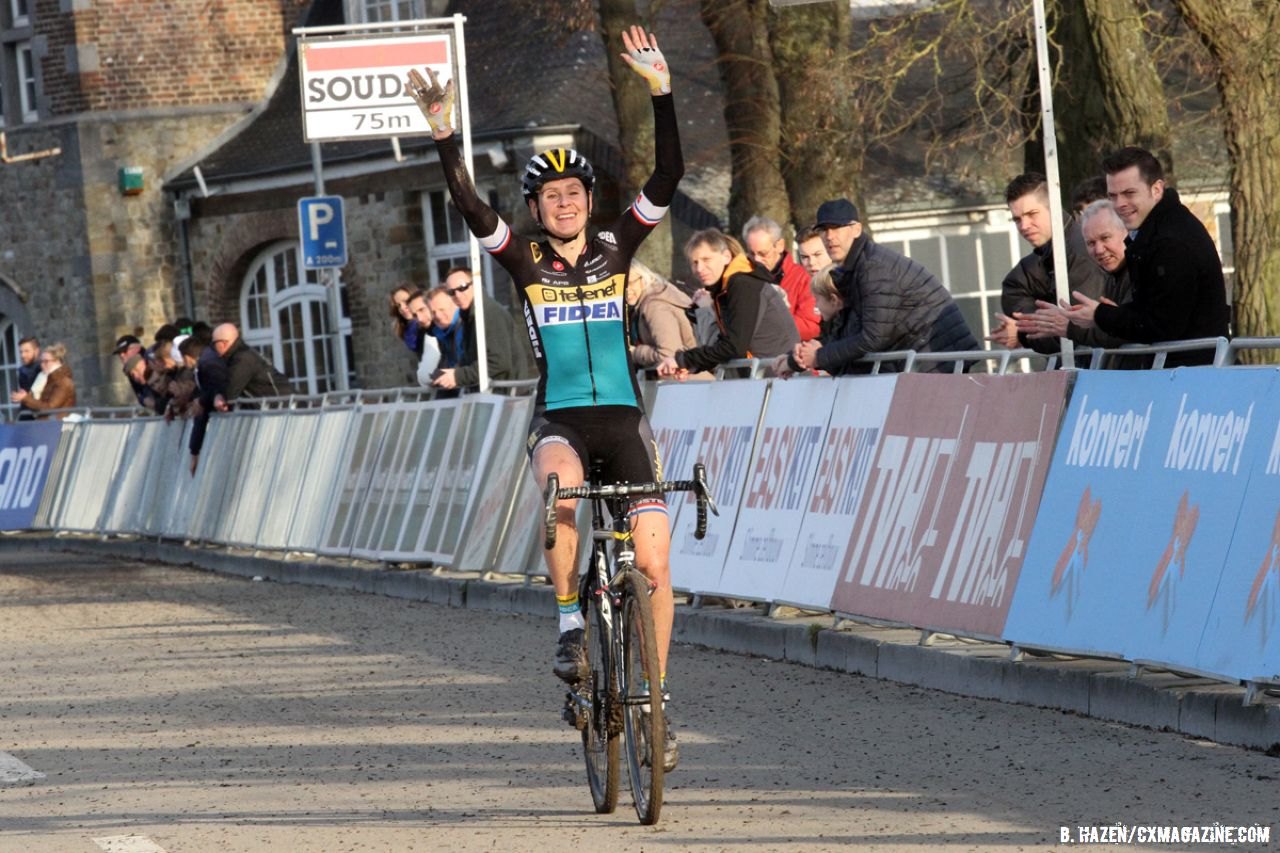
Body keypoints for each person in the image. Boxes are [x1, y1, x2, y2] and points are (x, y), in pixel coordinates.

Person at [409, 24, 683, 769]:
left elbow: (670, 174)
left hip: (625, 420)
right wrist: (444, 138)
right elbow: (469, 205)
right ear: (535, 206)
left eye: (574, 192)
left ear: (590, 199)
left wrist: (660, 92)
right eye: (551, 195)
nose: (564, 203)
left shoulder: (618, 245)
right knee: (560, 493)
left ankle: (656, 700)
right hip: (559, 418)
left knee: (656, 564)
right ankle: (570, 626)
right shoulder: (521, 255)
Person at [1061, 147, 1229, 367]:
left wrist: (1101, 315)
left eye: (1129, 193)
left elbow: (1161, 325)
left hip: (1192, 376)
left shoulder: (1169, 241)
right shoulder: (1157, 232)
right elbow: (1152, 309)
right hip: (1183, 371)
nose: (1120, 204)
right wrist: (1106, 314)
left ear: (1156, 189)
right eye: (1113, 196)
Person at [798, 197, 978, 374]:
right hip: (922, 360)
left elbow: (873, 337)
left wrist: (820, 356)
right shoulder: (856, 268)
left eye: (837, 228)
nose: (829, 236)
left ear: (856, 229)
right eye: (823, 230)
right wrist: (799, 357)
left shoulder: (874, 268)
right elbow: (855, 333)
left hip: (936, 362)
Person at [986, 173, 1106, 354]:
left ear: (1054, 208)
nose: (1024, 225)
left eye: (1032, 214)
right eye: (1017, 219)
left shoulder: (1079, 253)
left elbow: (1073, 330)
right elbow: (1015, 286)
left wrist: (1021, 333)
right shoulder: (1048, 256)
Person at [655, 229, 799, 378]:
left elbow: (733, 346)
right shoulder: (724, 290)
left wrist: (684, 360)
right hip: (765, 377)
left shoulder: (742, 284)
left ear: (726, 257)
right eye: (694, 262)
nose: (699, 268)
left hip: (779, 378)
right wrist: (692, 365)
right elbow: (726, 344)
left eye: (706, 259)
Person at [1016, 200, 1136, 363]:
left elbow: (1127, 330)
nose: (1099, 250)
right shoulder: (1112, 277)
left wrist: (1069, 326)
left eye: (1105, 238)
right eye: (1091, 243)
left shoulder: (1138, 274)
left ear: (1127, 232)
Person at [436, 267, 535, 393]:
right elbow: (472, 360)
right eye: (451, 292)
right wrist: (451, 373)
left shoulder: (489, 312)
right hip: (496, 396)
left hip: (507, 397)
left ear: (475, 284)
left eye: (462, 288)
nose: (458, 295)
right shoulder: (469, 316)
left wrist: (458, 376)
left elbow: (498, 362)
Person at [741, 215, 821, 341]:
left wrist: (766, 322)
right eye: (751, 253)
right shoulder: (742, 280)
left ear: (779, 246)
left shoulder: (804, 278)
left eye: (763, 253)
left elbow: (810, 327)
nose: (757, 260)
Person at [625, 259, 705, 375]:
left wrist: (634, 353)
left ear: (643, 278)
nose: (626, 290)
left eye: (630, 283)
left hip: (684, 383)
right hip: (688, 381)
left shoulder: (655, 306)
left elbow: (668, 355)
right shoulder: (660, 295)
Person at [773, 265, 850, 377]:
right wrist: (793, 356)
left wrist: (794, 361)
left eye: (817, 299)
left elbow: (834, 351)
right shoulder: (833, 325)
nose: (815, 305)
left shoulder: (846, 327)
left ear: (833, 300)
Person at [210, 323, 293, 410]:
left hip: (284, 409)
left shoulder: (243, 359)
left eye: (214, 344)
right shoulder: (239, 355)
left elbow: (230, 391)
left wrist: (219, 396)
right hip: (276, 409)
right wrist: (219, 394)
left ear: (223, 343)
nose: (213, 348)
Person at [11, 343, 76, 419]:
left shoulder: (64, 382)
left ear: (57, 362)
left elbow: (50, 408)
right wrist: (26, 397)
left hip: (57, 426)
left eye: (46, 361)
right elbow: (39, 404)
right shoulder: (45, 379)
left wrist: (26, 398)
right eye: (41, 361)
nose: (42, 365)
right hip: (46, 424)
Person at [15, 336, 40, 420]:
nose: (23, 355)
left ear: (36, 351)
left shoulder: (42, 370)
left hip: (40, 416)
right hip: (26, 414)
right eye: (21, 352)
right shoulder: (22, 370)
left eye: (27, 351)